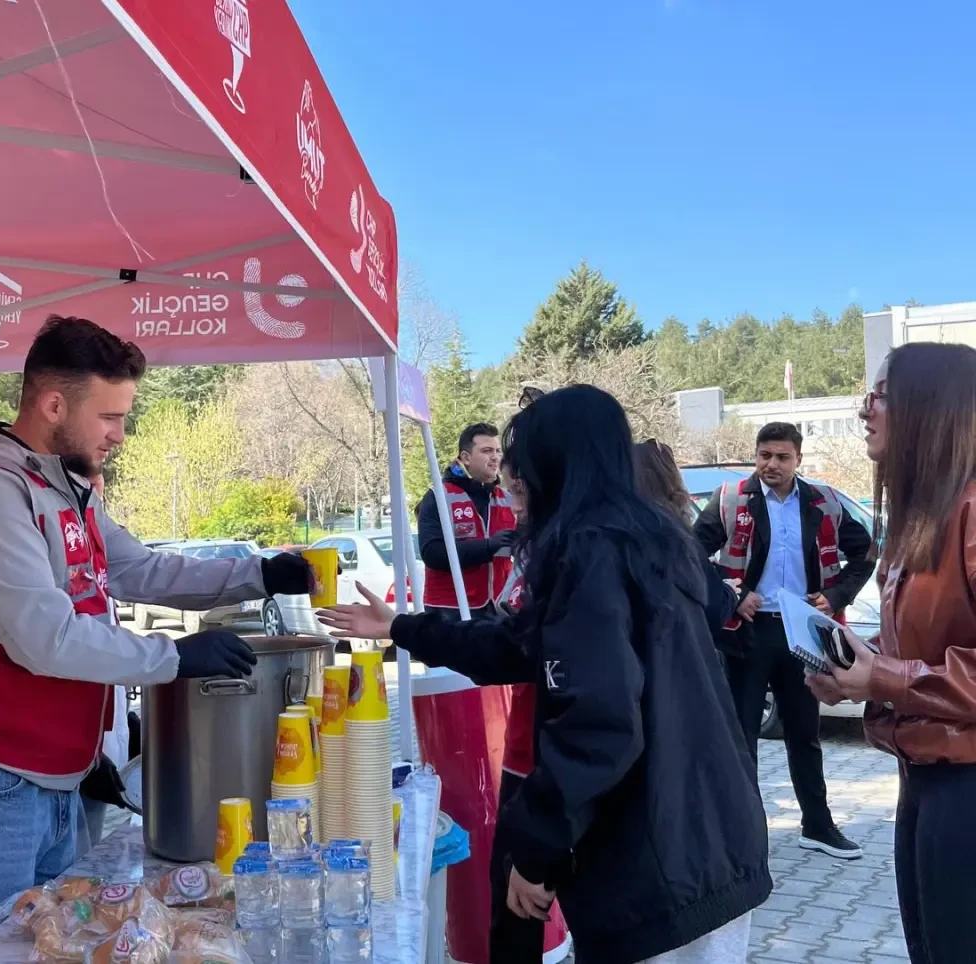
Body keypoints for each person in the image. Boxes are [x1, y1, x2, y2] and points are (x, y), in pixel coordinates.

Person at [0, 316, 313, 964]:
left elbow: (140, 568)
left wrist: (254, 573)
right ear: (53, 403)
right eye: (109, 417)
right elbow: (48, 637)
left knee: (56, 950)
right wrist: (171, 659)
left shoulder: (64, 486)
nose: (119, 434)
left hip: (61, 777)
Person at [321, 385, 771, 964]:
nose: (514, 485)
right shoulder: (648, 539)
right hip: (713, 843)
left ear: (557, 466)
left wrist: (536, 852)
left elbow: (599, 724)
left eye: (522, 470)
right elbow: (515, 645)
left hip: (660, 866)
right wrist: (402, 628)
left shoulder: (591, 552)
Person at [808, 342, 976, 963]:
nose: (865, 410)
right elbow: (924, 647)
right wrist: (857, 665)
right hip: (924, 780)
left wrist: (884, 675)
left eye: (882, 394)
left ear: (932, 407)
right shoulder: (922, 519)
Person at [693, 421, 873, 859]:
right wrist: (731, 593)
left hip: (802, 630)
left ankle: (818, 825)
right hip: (749, 631)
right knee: (742, 737)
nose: (771, 464)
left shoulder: (822, 501)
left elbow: (864, 552)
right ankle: (744, 834)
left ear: (798, 460)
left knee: (804, 732)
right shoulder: (732, 498)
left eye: (781, 457)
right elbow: (689, 553)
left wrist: (834, 596)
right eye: (764, 455)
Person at [491, 458, 572, 963]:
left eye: (520, 491)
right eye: (507, 492)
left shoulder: (577, 555)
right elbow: (505, 633)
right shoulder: (538, 549)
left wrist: (535, 854)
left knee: (523, 898)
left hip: (555, 767)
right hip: (526, 752)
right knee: (512, 912)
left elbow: (597, 724)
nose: (513, 504)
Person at [632, 439, 739, 653]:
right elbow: (710, 608)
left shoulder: (615, 530)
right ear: (670, 478)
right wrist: (730, 592)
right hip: (673, 661)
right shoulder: (672, 534)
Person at [416, 422, 516, 616]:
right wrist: (487, 547)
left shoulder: (508, 498)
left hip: (497, 609)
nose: (495, 457)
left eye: (497, 451)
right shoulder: (439, 496)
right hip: (449, 611)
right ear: (466, 458)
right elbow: (432, 553)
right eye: (486, 451)